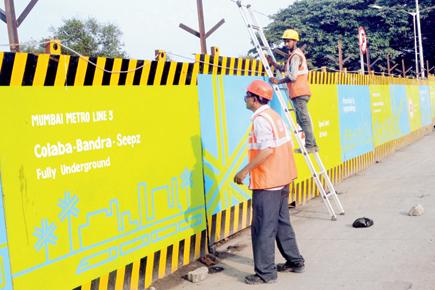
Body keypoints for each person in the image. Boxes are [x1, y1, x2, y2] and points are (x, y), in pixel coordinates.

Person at [233, 80, 305, 285]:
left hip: (268, 181)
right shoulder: (274, 116)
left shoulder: (260, 120)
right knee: (282, 222)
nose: (245, 99)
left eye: (247, 95)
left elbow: (267, 150)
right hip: (282, 178)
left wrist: (243, 171)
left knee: (263, 226)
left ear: (255, 99)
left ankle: (265, 273)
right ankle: (295, 261)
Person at [268, 28, 319, 153]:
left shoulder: (295, 56)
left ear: (295, 41)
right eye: (285, 41)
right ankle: (312, 144)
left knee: (304, 119)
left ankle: (310, 146)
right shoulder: (292, 56)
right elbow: (285, 69)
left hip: (300, 92)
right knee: (301, 120)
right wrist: (273, 64)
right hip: (298, 92)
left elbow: (292, 76)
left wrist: (278, 81)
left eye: (288, 41)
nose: (286, 44)